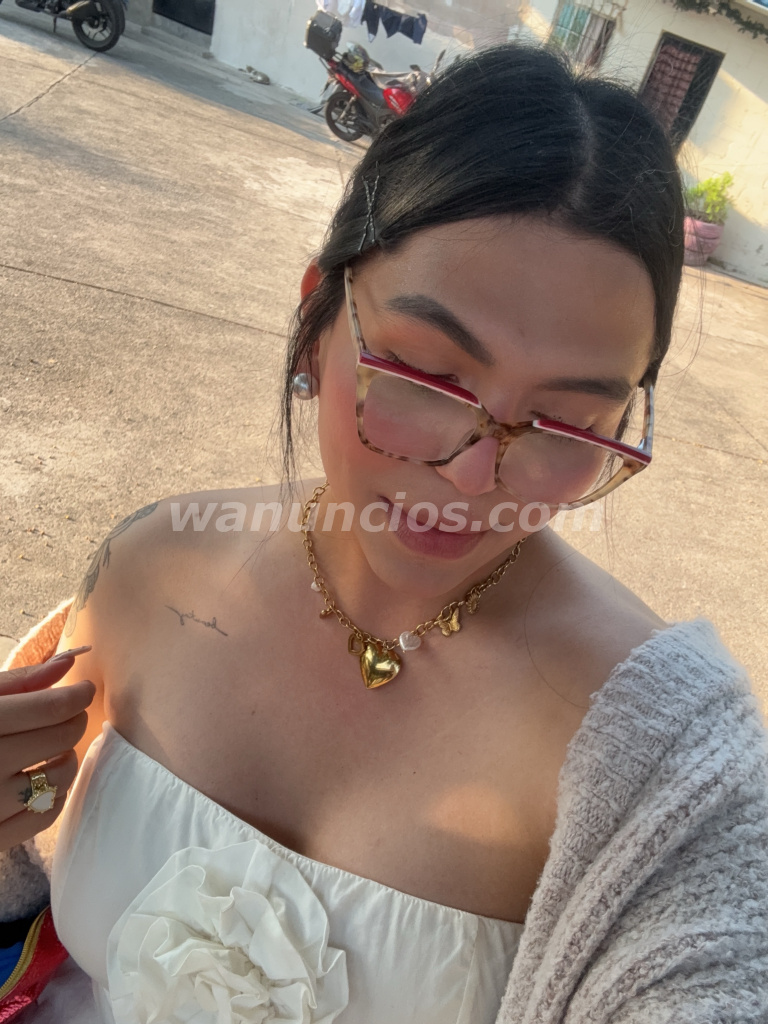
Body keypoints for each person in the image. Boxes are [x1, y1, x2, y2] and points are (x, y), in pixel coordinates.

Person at [1, 43, 767, 1024]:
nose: (476, 475)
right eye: (427, 374)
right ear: (317, 317)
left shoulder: (671, 765)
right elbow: (30, 869)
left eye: (570, 421)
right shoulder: (154, 567)